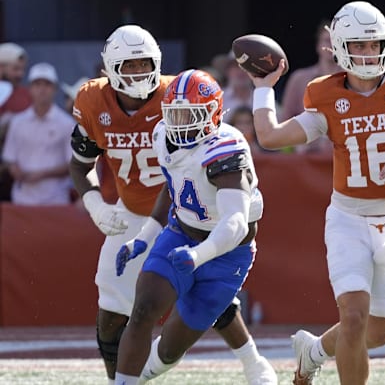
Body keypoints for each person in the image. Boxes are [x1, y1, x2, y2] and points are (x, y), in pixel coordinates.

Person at [247, 0, 385, 384]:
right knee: (353, 318)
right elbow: (269, 137)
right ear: (341, 47)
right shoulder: (326, 96)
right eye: (360, 45)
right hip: (348, 219)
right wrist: (263, 89)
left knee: (377, 334)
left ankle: (312, 352)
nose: (368, 53)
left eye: (374, 44)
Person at [68, 24, 275, 385]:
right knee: (122, 309)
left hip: (199, 216)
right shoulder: (110, 107)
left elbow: (232, 221)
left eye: (143, 63)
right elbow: (82, 162)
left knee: (207, 295)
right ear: (109, 68)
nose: (137, 73)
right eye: (128, 66)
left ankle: (251, 361)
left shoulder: (183, 101)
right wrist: (96, 205)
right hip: (146, 212)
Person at [113, 69, 271, 385]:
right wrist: (144, 238)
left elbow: (235, 224)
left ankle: (248, 357)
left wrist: (198, 256)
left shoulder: (225, 148)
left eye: (191, 114)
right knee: (143, 308)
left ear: (213, 113)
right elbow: (174, 186)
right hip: (180, 232)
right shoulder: (162, 135)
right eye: (176, 113)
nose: (182, 122)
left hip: (227, 253)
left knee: (170, 350)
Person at [2, 62, 76, 205]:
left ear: (54, 89)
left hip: (55, 201)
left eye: (47, 85)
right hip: (22, 200)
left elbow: (73, 165)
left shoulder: (67, 124)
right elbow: (9, 158)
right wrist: (14, 169)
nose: (42, 90)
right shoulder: (17, 122)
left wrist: (42, 174)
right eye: (37, 84)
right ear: (30, 89)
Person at [279, 19, 341, 154]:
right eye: (326, 40)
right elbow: (285, 120)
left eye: (336, 40)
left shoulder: (353, 79)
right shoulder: (299, 79)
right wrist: (296, 144)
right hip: (306, 156)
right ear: (318, 45)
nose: (331, 45)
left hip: (344, 154)